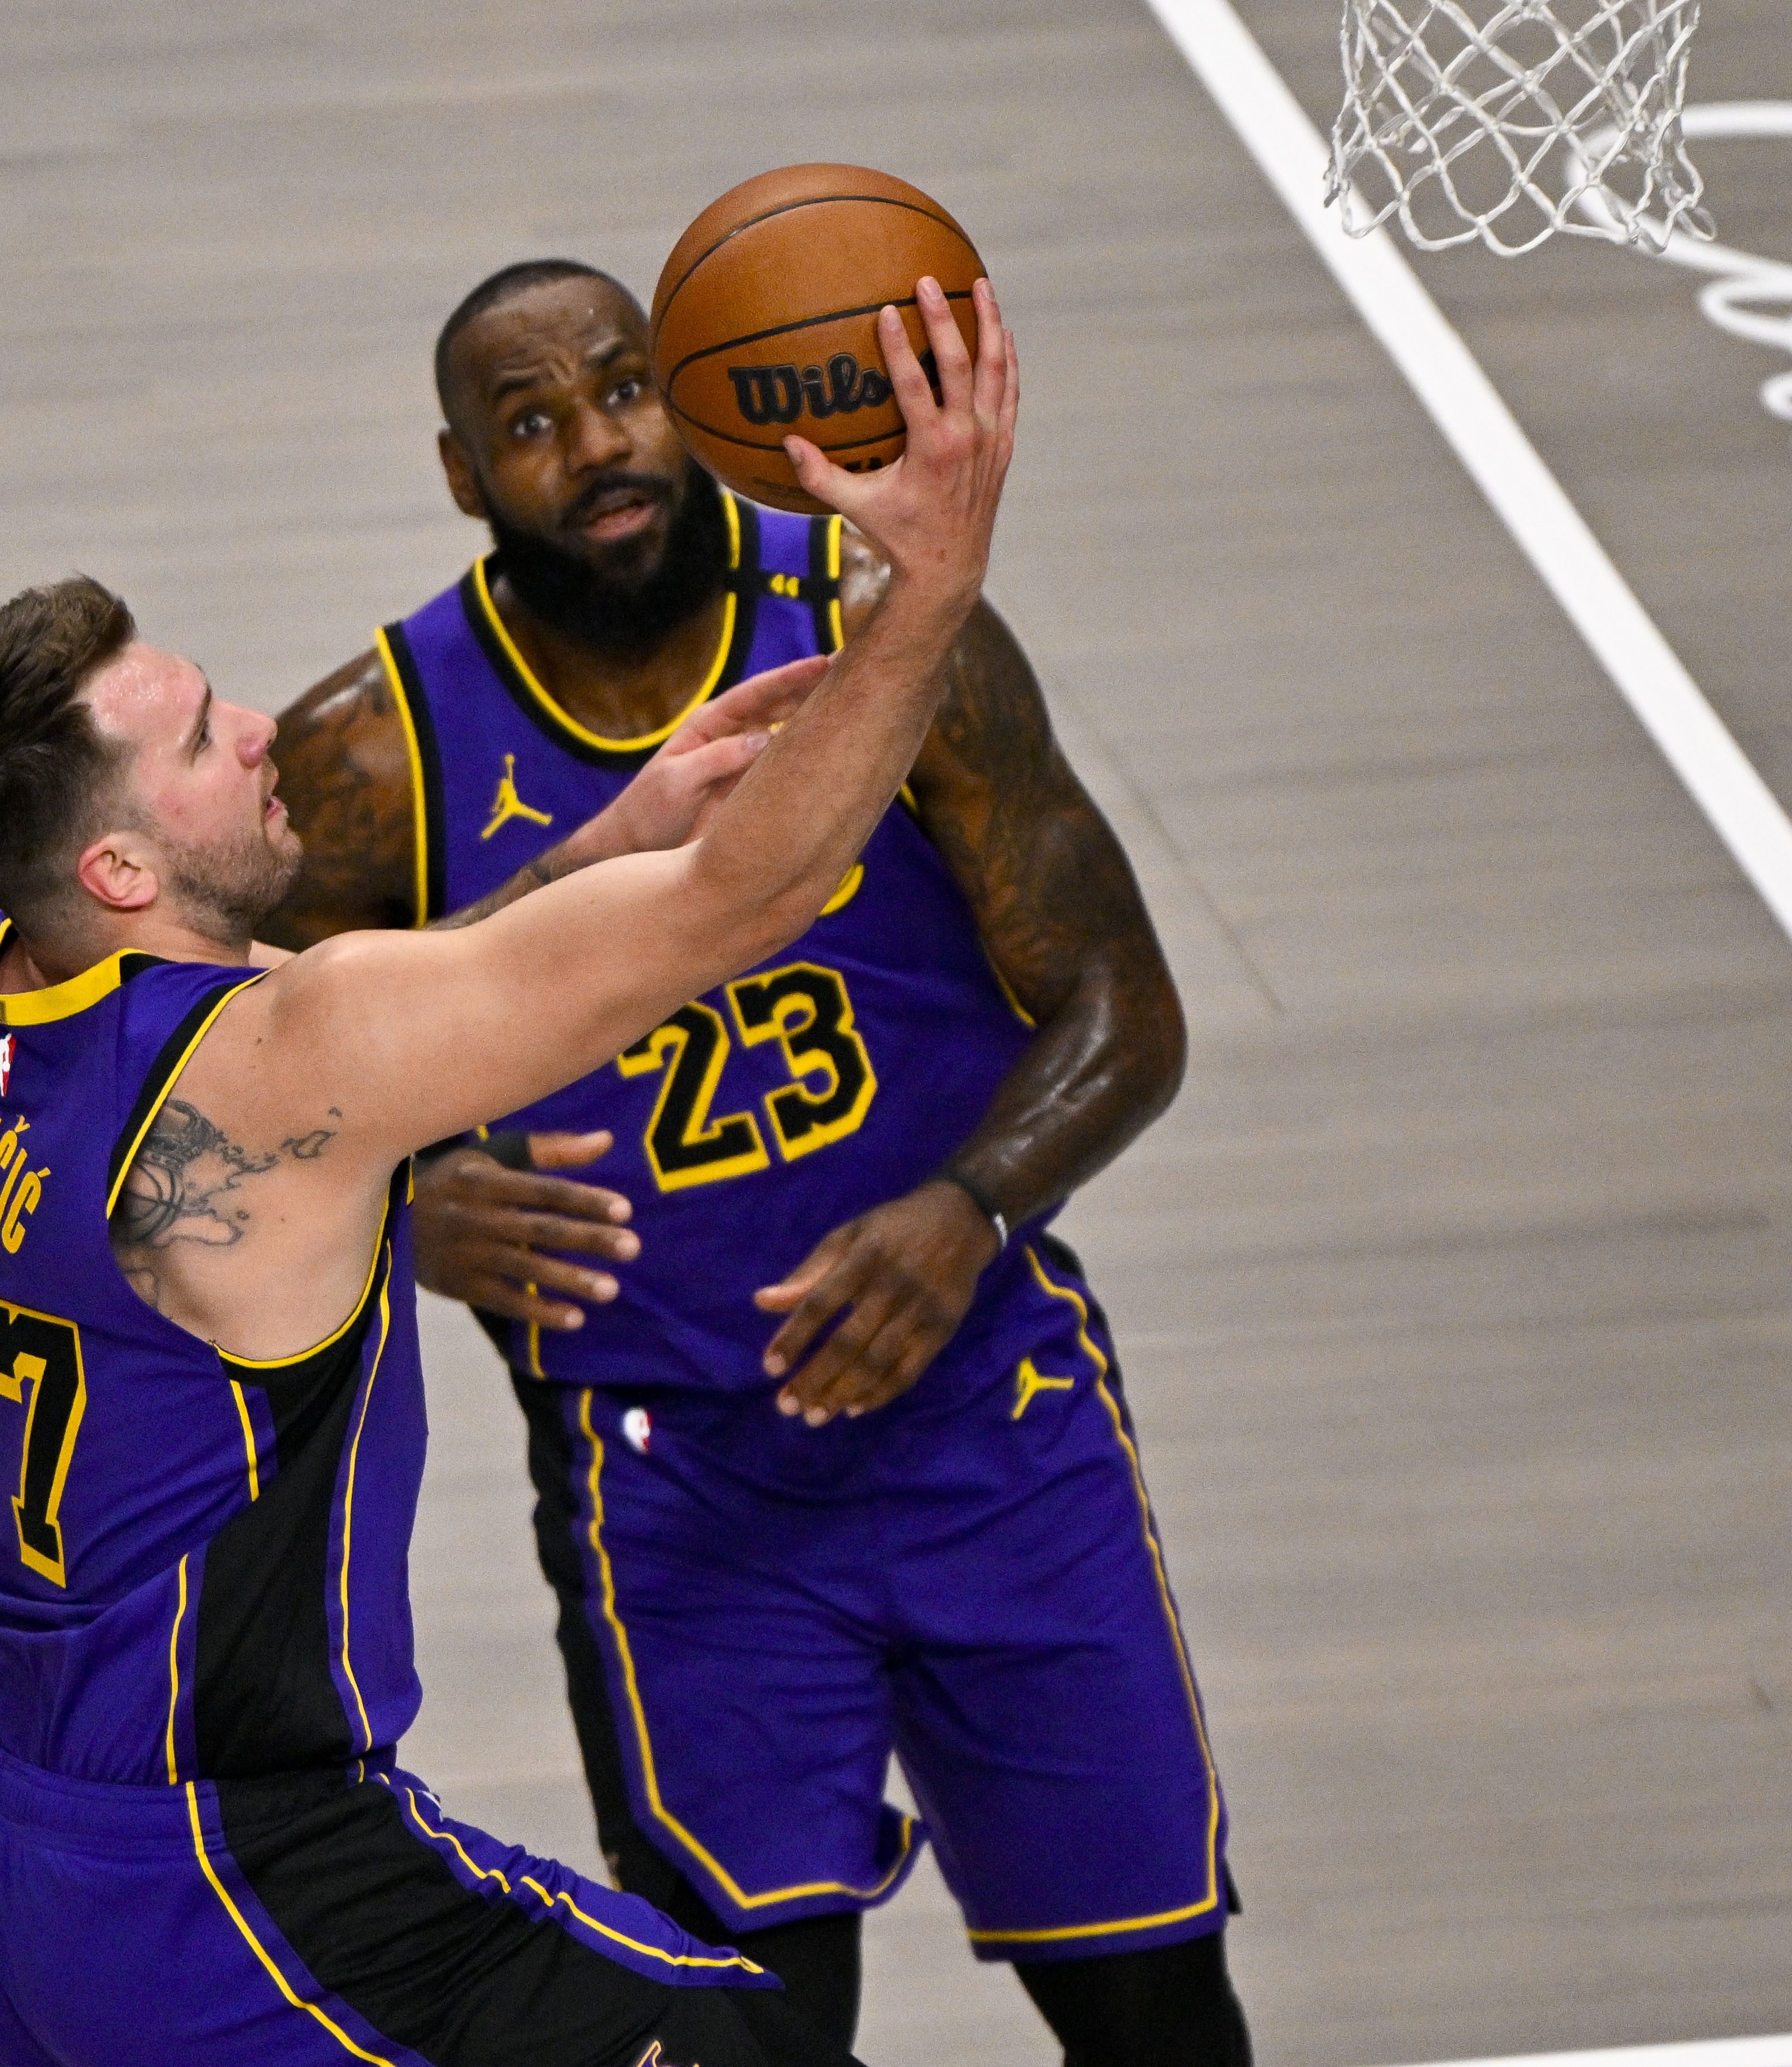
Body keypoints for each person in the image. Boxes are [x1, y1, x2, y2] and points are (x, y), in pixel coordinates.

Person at [0, 280, 1012, 2067]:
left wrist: (601, 838)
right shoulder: (277, 1058)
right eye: (196, 741)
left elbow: (363, 1042)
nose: (255, 727)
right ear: (117, 871)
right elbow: (753, 898)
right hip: (224, 1882)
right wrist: (930, 581)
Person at [261, 261, 1246, 2067]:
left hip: (993, 1429)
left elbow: (1126, 1006)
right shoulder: (372, 754)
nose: (596, 444)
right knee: (748, 2051)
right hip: (673, 1489)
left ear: (696, 394)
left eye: (623, 387)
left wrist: (969, 1209)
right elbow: (225, 1093)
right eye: (530, 423)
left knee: (1159, 2020)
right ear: (462, 475)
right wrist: (398, 1200)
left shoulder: (882, 627)